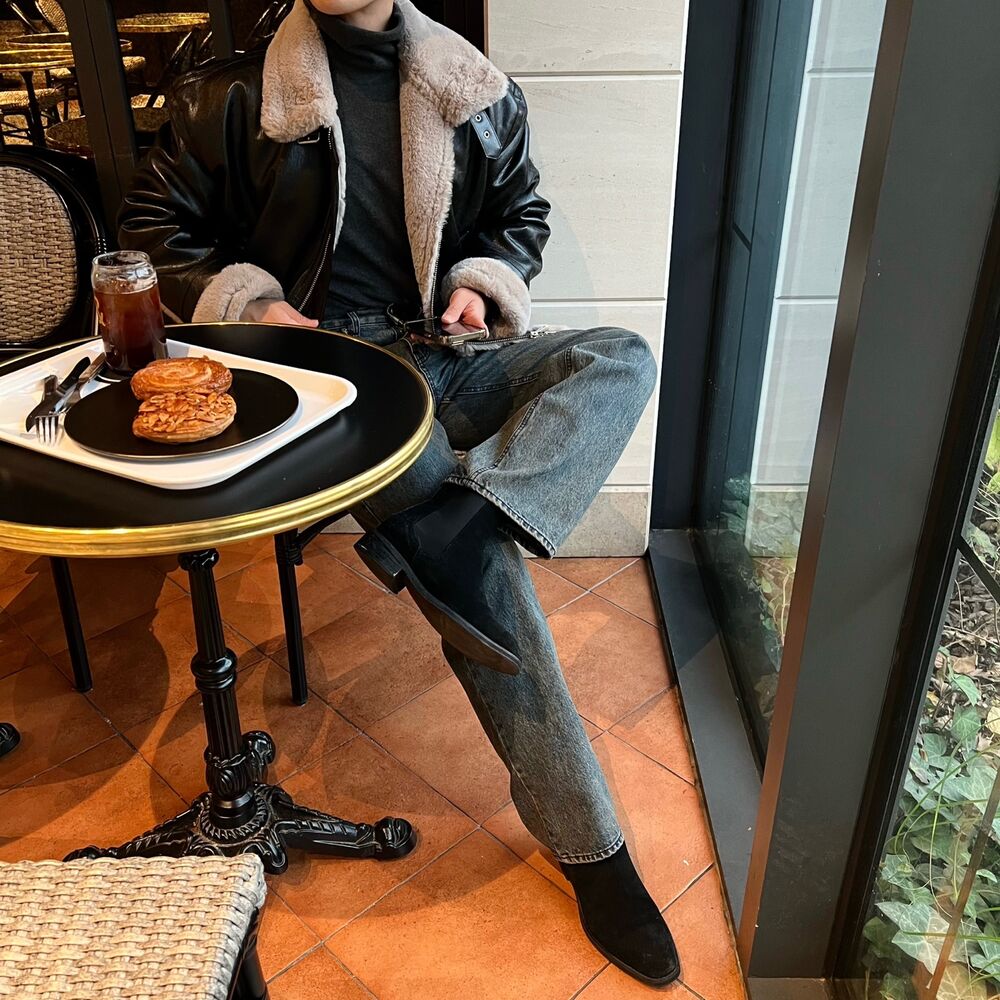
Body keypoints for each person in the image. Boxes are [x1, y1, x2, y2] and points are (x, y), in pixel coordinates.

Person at [119, 0, 677, 985]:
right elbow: (153, 227)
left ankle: (454, 517)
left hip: (444, 349)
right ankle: (593, 848)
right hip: (333, 380)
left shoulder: (471, 87)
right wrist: (257, 303)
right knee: (488, 577)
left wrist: (479, 282)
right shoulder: (234, 92)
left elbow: (519, 217)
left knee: (617, 355)